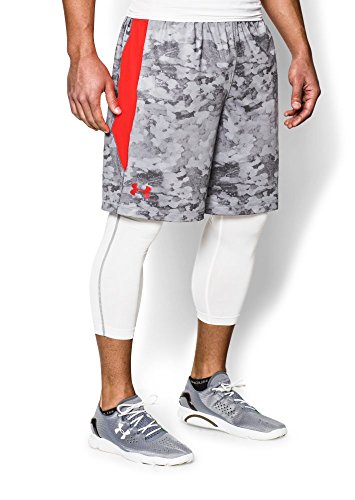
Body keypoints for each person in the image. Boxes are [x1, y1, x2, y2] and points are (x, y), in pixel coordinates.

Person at [62, 0, 320, 466]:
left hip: (249, 42)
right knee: (135, 220)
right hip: (164, 38)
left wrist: (300, 49)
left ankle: (206, 386)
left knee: (243, 216)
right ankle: (113, 408)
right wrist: (81, 52)